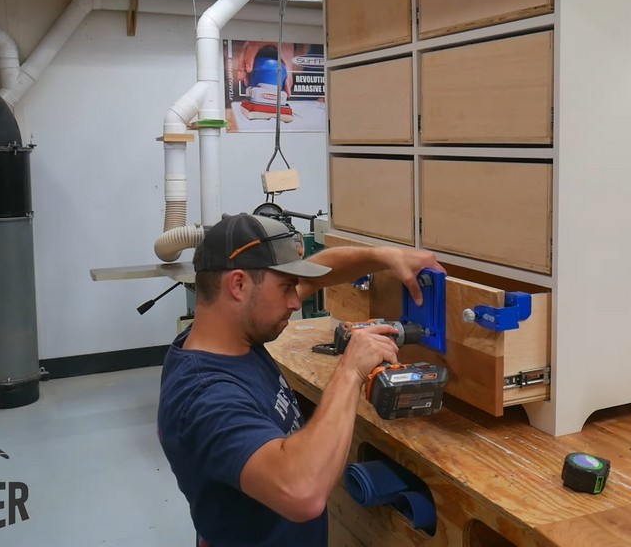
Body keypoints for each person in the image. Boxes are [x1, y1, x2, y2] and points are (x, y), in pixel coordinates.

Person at [157, 212, 445, 547]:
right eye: (286, 287)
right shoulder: (205, 397)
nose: (297, 301)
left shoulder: (225, 332)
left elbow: (322, 269)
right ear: (237, 285)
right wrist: (350, 371)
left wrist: (383, 256)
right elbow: (302, 493)